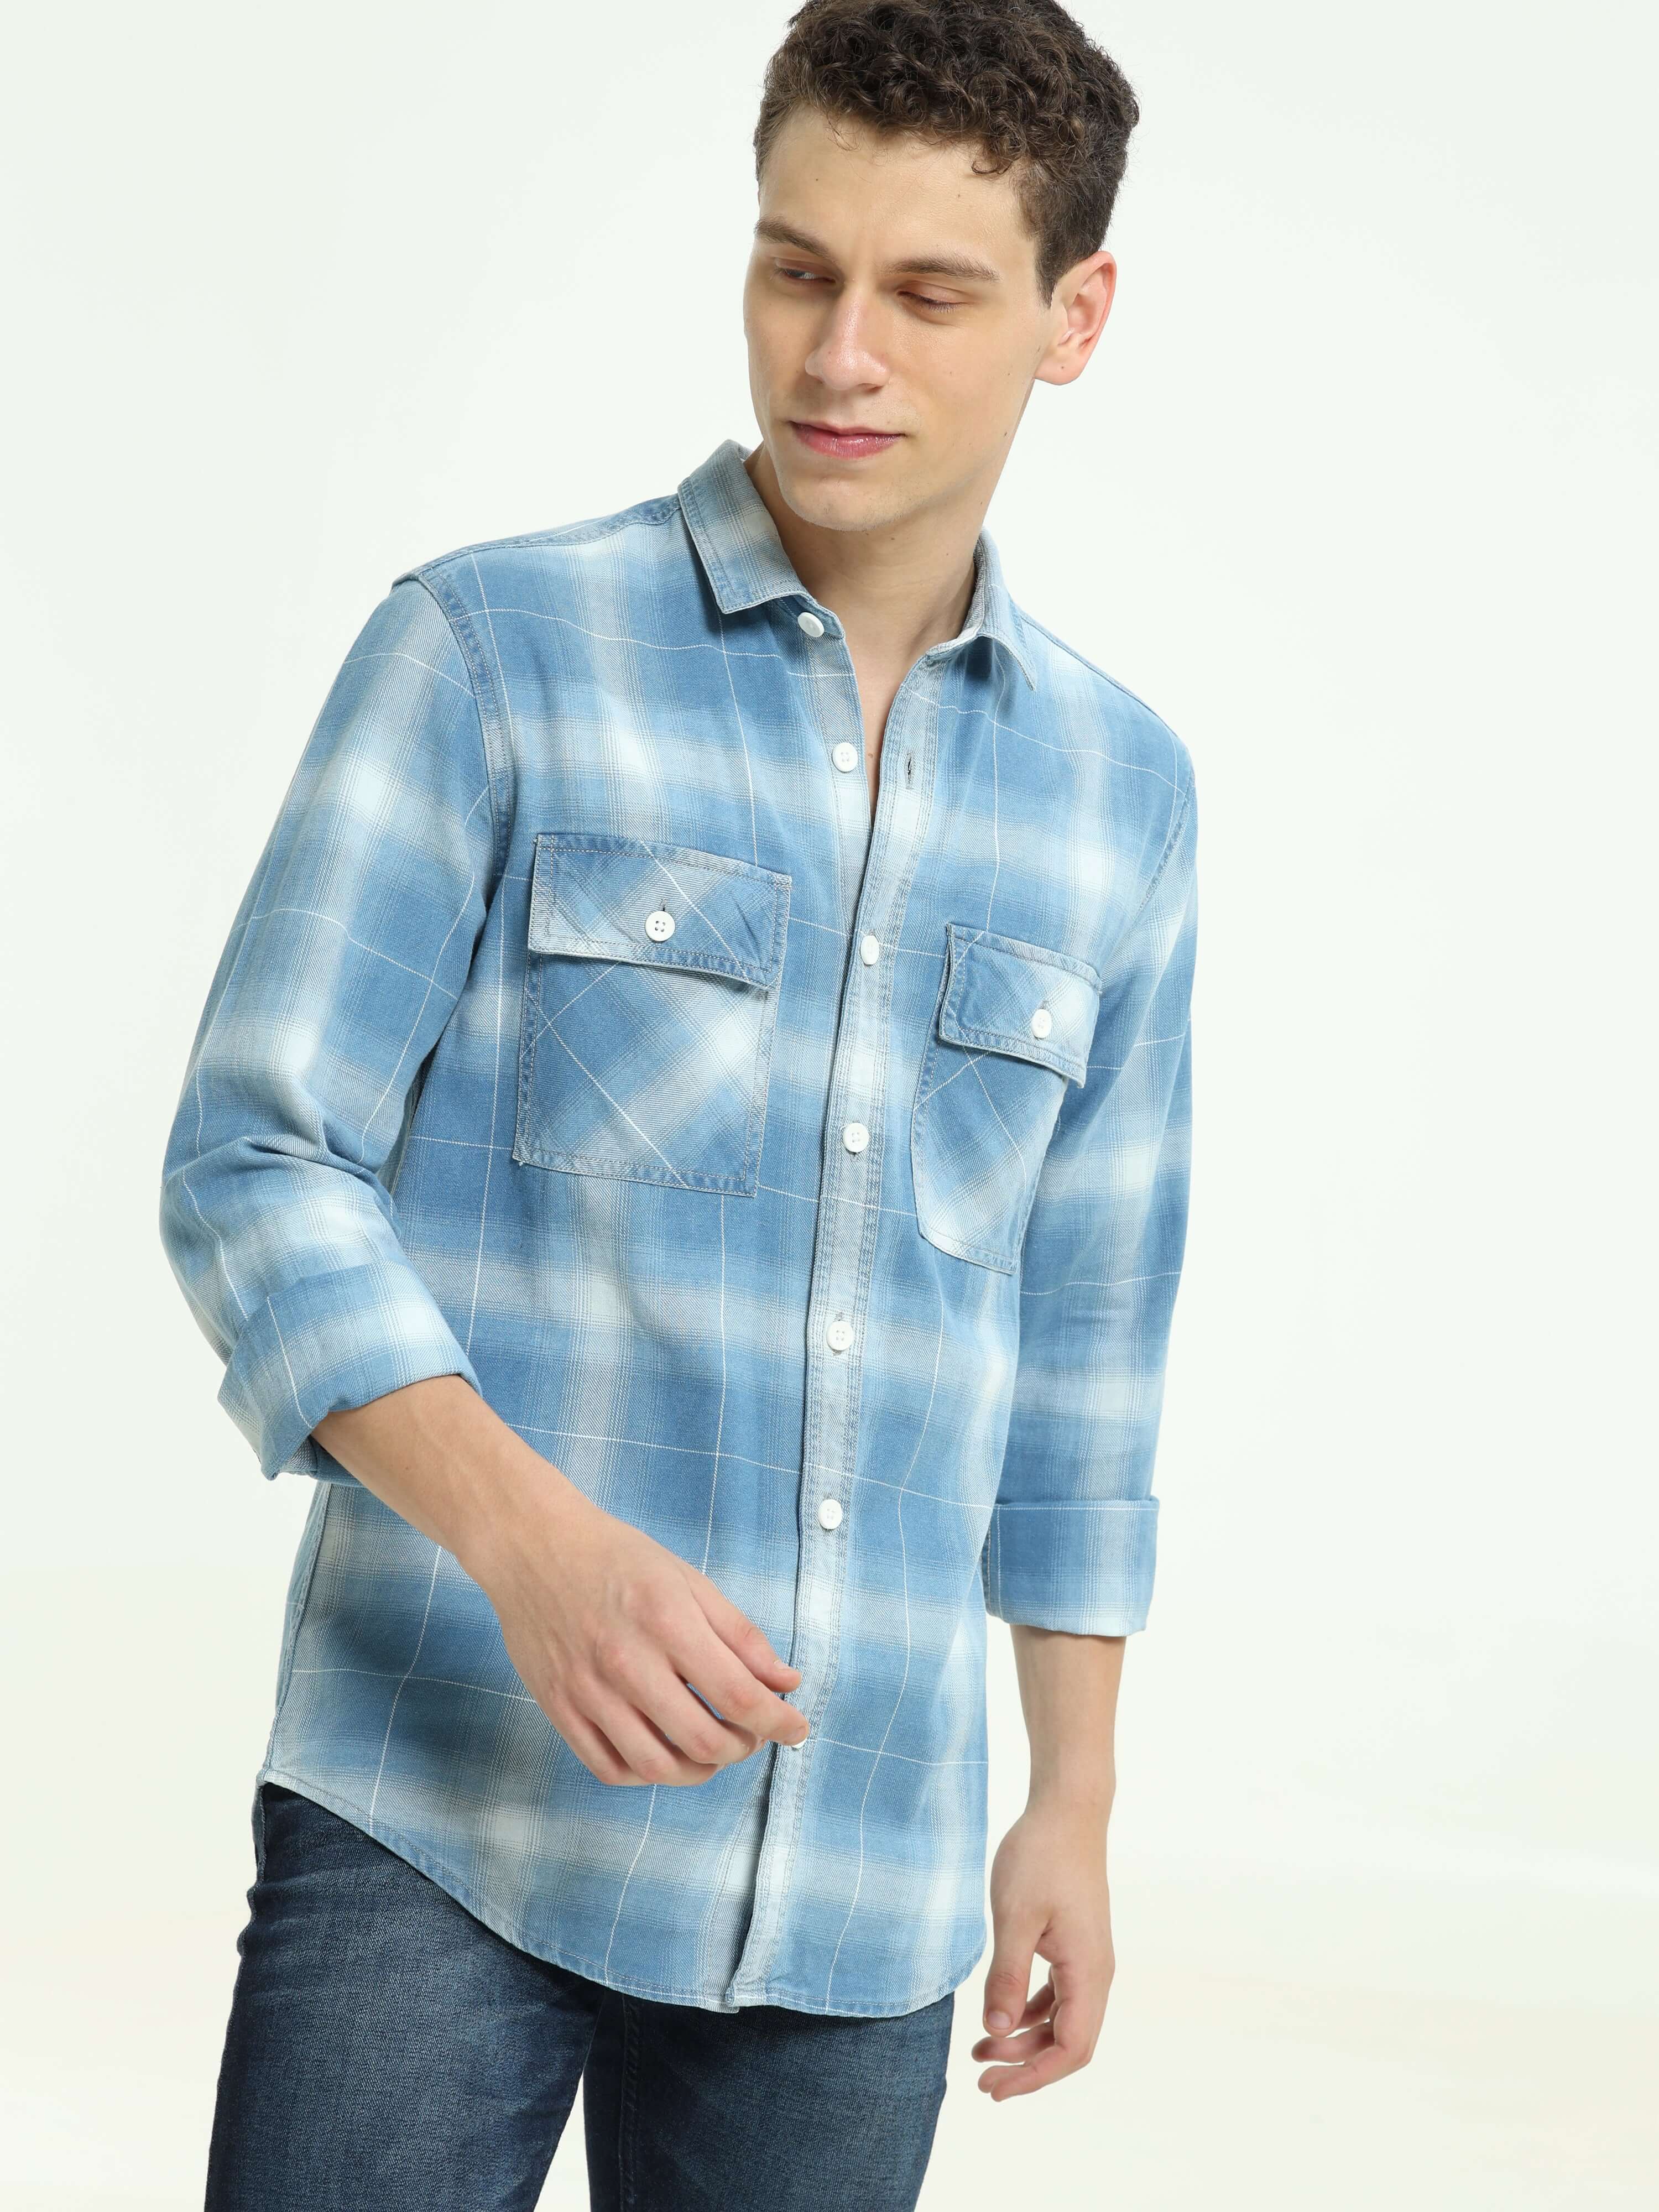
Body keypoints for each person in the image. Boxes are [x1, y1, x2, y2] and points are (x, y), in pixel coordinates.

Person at [159, 3, 1199, 2204]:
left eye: (930, 294)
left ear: (1075, 316)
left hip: (861, 1880)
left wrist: (1073, 1796)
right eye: (796, 268)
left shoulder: (1123, 797)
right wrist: (529, 1546)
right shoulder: (490, 653)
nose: (841, 354)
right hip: (442, 1804)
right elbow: (257, 1161)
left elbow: (1088, 1341)